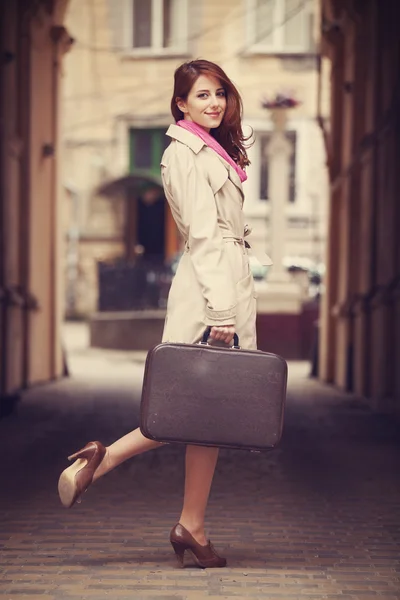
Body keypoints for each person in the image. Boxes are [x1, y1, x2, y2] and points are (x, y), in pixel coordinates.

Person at [58, 59, 270, 569]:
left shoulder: (211, 149)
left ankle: (191, 525)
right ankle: (102, 459)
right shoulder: (186, 153)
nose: (214, 102)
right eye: (201, 95)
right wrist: (222, 310)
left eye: (218, 92)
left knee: (207, 414)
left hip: (222, 282)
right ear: (181, 103)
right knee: (186, 404)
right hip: (210, 290)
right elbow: (202, 235)